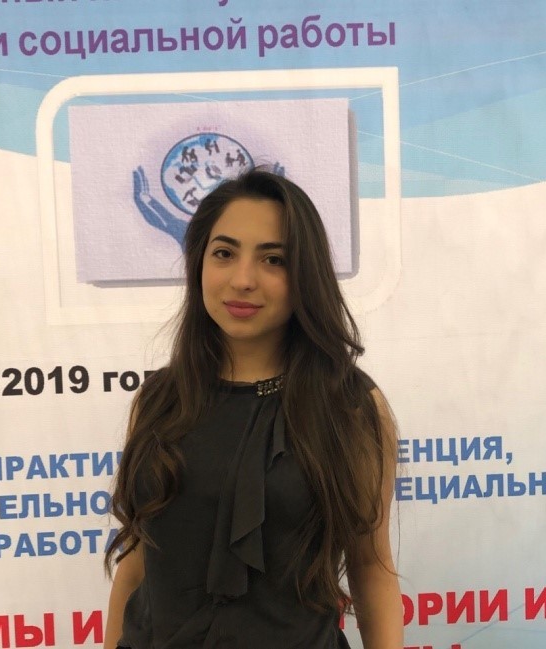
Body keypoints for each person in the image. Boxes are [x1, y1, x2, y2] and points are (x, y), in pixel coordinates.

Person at [103, 168, 403, 649]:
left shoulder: (351, 408)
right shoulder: (158, 401)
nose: (242, 280)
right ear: (199, 262)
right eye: (224, 253)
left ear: (305, 274)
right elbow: (137, 564)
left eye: (273, 259)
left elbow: (372, 571)